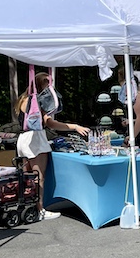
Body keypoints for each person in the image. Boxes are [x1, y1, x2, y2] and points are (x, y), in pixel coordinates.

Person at [15, 71, 89, 221]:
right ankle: (40, 210)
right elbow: (50, 123)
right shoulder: (37, 101)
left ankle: (26, 207)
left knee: (27, 176)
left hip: (23, 139)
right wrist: (74, 127)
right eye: (49, 84)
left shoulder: (24, 99)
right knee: (39, 177)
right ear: (42, 85)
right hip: (35, 139)